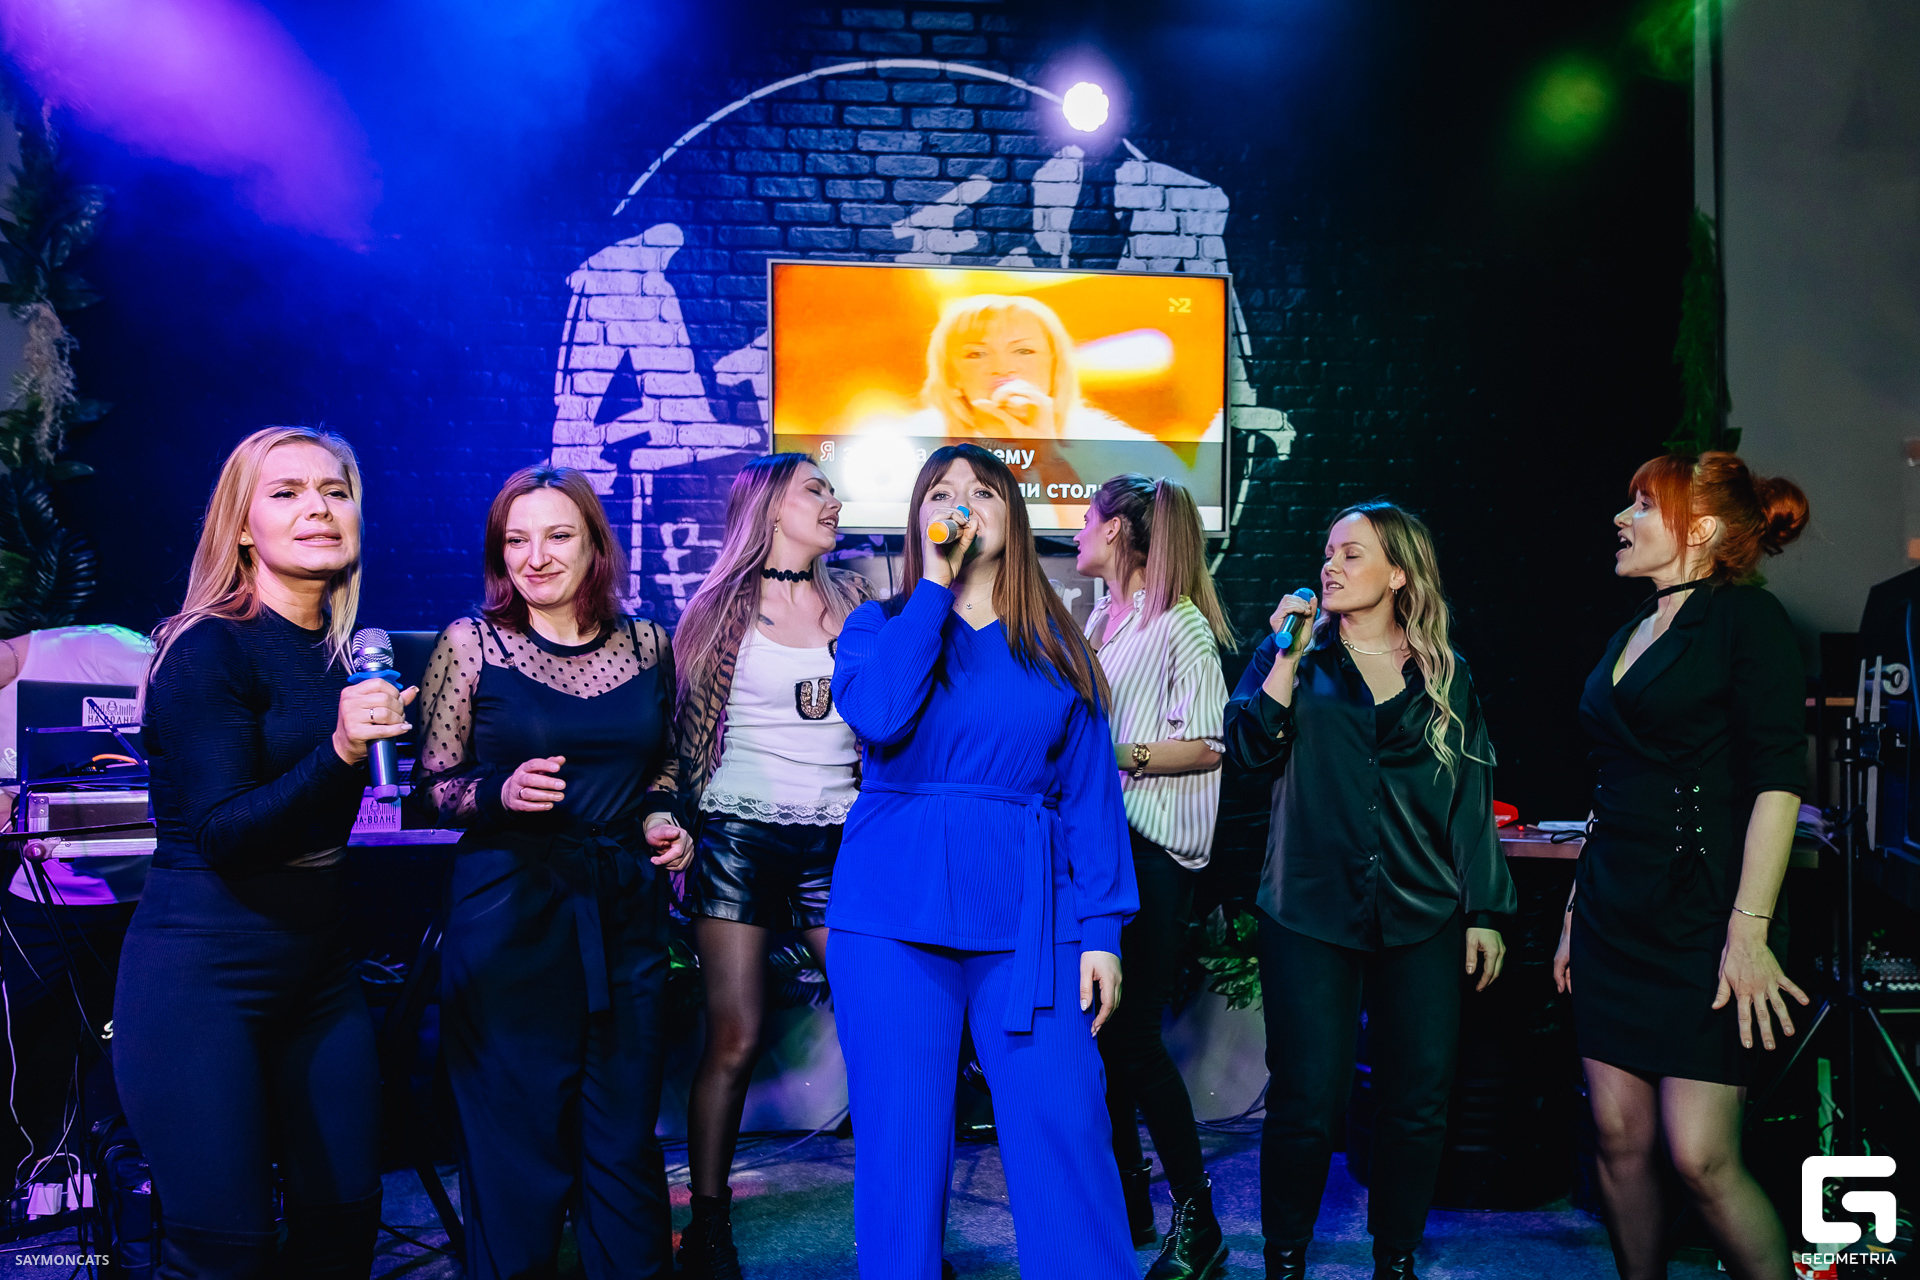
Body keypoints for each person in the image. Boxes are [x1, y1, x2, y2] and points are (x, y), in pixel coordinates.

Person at [827, 441, 1139, 1278]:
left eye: (984, 491)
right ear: (920, 518)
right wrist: (933, 586)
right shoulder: (877, 627)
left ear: (1014, 517)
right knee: (900, 1144)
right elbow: (881, 715)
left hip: (1030, 915)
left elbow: (1091, 800)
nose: (961, 503)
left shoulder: (1059, 646)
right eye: (941, 491)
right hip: (891, 915)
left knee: (1066, 1124)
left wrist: (1102, 932)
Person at [114, 426, 414, 1277]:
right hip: (202, 974)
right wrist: (342, 751)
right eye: (286, 492)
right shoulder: (208, 647)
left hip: (318, 970)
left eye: (335, 491)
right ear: (243, 528)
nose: (318, 508)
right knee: (229, 1254)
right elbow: (225, 834)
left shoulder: (348, 656)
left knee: (344, 1229)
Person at [410, 465, 691, 1280]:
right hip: (510, 922)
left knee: (623, 1143)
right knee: (517, 1154)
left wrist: (663, 817)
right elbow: (432, 788)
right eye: (516, 540)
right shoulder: (473, 643)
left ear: (596, 544)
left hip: (623, 916)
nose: (535, 557)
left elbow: (665, 764)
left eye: (558, 535)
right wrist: (499, 792)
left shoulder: (648, 643)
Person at [1224, 501, 1514, 1280]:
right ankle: (1285, 1259)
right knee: (1307, 1099)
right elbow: (1247, 752)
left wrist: (1485, 910)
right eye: (1328, 553)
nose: (1331, 565)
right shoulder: (1296, 657)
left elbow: (1471, 799)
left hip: (1423, 908)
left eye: (1352, 554)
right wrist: (1284, 655)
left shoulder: (1445, 674)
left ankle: (1396, 1259)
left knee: (1416, 1100)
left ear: (1398, 574)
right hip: (1308, 908)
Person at [1553, 452, 1811, 1280]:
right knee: (1617, 1138)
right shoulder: (1630, 630)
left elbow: (1778, 784)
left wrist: (1749, 932)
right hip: (1610, 913)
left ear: (1699, 528)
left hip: (1702, 917)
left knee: (1701, 1156)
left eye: (1641, 505)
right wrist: (1572, 914)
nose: (1620, 519)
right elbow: (1610, 786)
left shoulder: (1748, 621)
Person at [664, 453, 874, 1277]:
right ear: (771, 507)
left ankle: (899, 1218)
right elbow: (679, 735)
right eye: (816, 488)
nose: (833, 501)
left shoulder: (855, 601)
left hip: (839, 836)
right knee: (737, 1035)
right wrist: (670, 823)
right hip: (739, 834)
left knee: (879, 1025)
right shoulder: (716, 608)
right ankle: (708, 1229)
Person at [1073, 473, 1234, 1278]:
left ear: (1118, 531)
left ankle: (1198, 1221)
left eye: (1088, 518)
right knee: (1104, 1036)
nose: (1078, 530)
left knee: (1132, 1039)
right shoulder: (1101, 619)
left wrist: (1115, 755)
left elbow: (1209, 745)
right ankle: (1129, 1203)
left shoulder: (1180, 625)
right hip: (1105, 848)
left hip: (1152, 852)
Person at [2, 626, 153, 1203]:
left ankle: (123, 1171)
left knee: (125, 1034)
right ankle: (41, 1170)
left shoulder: (96, 650)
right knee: (32, 1036)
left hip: (142, 891)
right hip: (41, 897)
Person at [906, 293, 1170, 444]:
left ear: (1055, 367)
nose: (1003, 368)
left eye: (1024, 351)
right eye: (977, 354)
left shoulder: (1116, 448)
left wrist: (1048, 457)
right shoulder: (909, 446)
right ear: (951, 375)